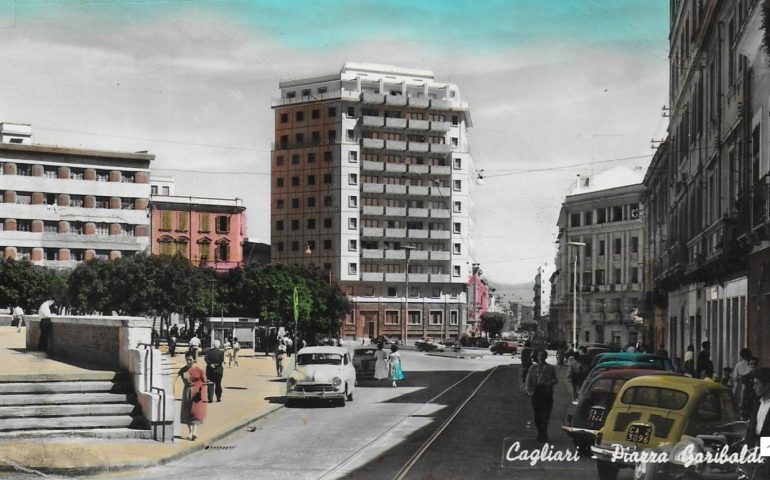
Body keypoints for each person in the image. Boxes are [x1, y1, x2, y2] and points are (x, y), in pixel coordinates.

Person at [525, 349, 558, 443]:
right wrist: (529, 391)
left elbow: (555, 380)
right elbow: (528, 380)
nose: (541, 358)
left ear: (546, 357)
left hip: (547, 393)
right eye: (539, 356)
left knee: (546, 414)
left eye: (543, 356)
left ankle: (544, 432)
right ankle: (540, 432)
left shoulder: (550, 368)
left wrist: (548, 382)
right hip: (536, 392)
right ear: (537, 357)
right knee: (537, 414)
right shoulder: (533, 368)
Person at [744, 367, 770, 479]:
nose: (754, 387)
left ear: (767, 385)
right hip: (753, 446)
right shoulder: (757, 404)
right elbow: (751, 428)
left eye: (757, 383)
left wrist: (765, 451)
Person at [175, 352, 207, 440]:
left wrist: (202, 393)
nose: (189, 361)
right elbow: (176, 380)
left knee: (195, 411)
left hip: (197, 392)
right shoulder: (183, 370)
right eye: (187, 360)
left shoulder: (199, 370)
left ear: (194, 360)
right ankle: (190, 432)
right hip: (187, 392)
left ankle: (195, 432)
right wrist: (174, 391)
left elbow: (205, 382)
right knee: (187, 411)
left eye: (190, 360)